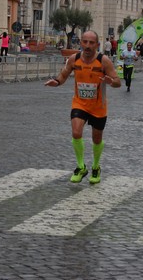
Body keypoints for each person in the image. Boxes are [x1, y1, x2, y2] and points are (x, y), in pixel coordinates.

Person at [44, 30, 121, 184]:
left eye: (91, 43)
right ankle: (81, 166)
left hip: (98, 106)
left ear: (97, 45)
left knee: (96, 139)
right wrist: (56, 82)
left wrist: (110, 81)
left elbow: (118, 82)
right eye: (85, 42)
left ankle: (96, 166)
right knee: (76, 132)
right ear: (81, 43)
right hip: (79, 103)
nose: (87, 45)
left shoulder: (104, 61)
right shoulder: (74, 59)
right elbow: (64, 75)